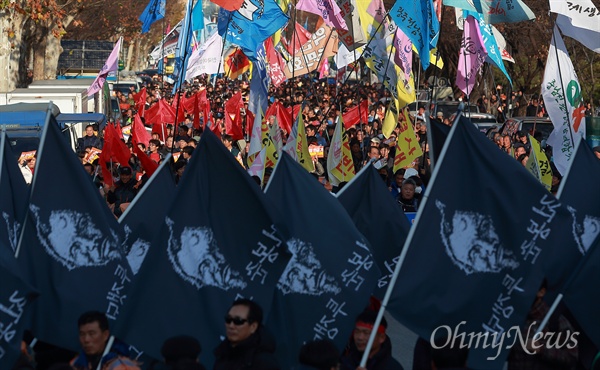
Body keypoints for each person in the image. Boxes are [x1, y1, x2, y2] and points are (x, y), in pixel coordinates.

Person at [507, 280, 578, 370]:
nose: (522, 292)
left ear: (541, 292)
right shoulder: (511, 316)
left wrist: (541, 349)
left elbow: (571, 358)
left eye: (528, 288)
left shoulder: (555, 321)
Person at [213, 298, 279, 370]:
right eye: (228, 320)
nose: (231, 326)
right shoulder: (222, 356)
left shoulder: (264, 363)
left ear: (253, 327)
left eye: (238, 321)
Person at [71, 311, 139, 370]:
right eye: (82, 334)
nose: (86, 339)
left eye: (91, 334)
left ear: (105, 335)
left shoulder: (122, 366)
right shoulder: (75, 363)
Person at [340, 310, 404, 370]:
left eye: (366, 333)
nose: (360, 337)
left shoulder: (393, 367)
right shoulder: (345, 363)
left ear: (381, 338)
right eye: (357, 332)